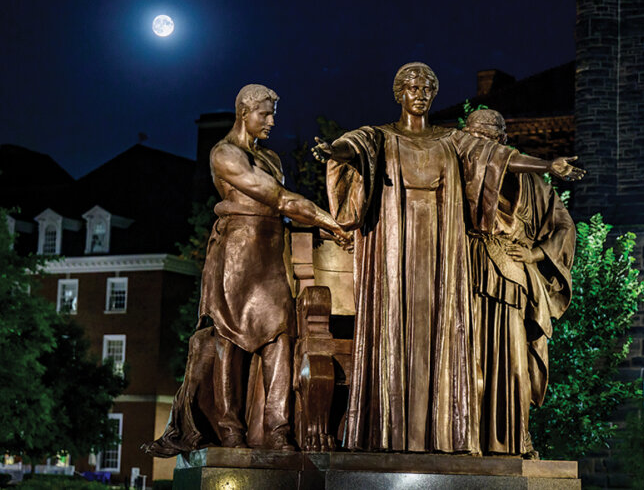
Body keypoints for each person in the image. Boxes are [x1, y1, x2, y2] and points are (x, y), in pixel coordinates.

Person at [313, 63, 583, 454]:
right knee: (395, 328)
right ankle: (387, 430)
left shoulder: (452, 141)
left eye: (427, 88)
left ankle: (447, 434)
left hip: (444, 253)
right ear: (398, 93)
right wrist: (332, 149)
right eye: (411, 86)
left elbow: (494, 157)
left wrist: (548, 165)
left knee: (445, 335)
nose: (420, 93)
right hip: (394, 248)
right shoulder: (381, 137)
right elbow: (352, 146)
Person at [145, 84, 350, 455]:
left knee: (279, 337)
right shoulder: (225, 153)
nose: (271, 121)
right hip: (236, 251)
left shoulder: (272, 158)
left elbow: (282, 203)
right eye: (265, 114)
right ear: (244, 112)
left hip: (271, 250)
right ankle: (230, 431)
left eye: (273, 114)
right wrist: (331, 222)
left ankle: (277, 428)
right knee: (230, 337)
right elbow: (279, 198)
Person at [463, 109, 575, 457]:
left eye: (488, 140)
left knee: (514, 360)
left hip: (512, 281)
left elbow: (564, 226)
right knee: (468, 357)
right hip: (467, 274)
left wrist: (538, 254)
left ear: (503, 142)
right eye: (474, 139)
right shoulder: (460, 172)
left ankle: (513, 437)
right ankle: (465, 435)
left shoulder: (533, 185)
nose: (481, 148)